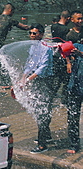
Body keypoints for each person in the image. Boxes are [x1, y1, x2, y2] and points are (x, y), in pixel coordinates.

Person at [19, 23, 55, 154]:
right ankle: (47, 134)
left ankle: (42, 144)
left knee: (42, 110)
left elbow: (42, 67)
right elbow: (30, 63)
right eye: (30, 33)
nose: (32, 36)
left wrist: (28, 79)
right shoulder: (33, 47)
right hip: (35, 80)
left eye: (34, 33)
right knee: (37, 106)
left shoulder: (46, 48)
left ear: (41, 34)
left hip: (46, 81)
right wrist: (23, 77)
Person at [0, 3, 29, 86]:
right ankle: (4, 82)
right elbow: (24, 27)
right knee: (3, 61)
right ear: (10, 10)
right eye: (13, 12)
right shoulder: (10, 19)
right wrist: (34, 27)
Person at [66, 41, 83, 153]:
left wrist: (80, 54)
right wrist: (68, 61)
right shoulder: (77, 45)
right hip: (75, 86)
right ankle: (74, 144)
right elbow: (64, 51)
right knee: (72, 116)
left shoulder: (79, 50)